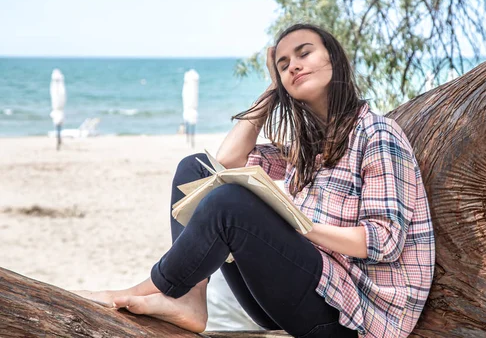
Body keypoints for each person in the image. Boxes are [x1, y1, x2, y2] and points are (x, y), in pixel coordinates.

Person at [75, 23, 435, 338]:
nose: (293, 65)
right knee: (195, 167)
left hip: (351, 317)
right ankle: (189, 298)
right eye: (283, 64)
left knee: (231, 203)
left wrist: (301, 225)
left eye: (304, 53)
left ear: (334, 60)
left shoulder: (376, 134)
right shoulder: (311, 146)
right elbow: (226, 159)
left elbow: (384, 239)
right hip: (295, 297)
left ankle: (149, 287)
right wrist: (271, 90)